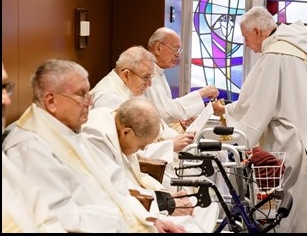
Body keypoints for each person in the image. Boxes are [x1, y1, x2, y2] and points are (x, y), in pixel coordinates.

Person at [2, 58, 184, 233]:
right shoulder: (29, 147)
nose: (89, 102)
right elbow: (61, 216)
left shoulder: (71, 132)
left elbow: (115, 183)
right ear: (51, 101)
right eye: (81, 95)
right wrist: (120, 221)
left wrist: (150, 221)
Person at [212, 6, 307, 233]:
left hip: (297, 141)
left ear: (257, 31)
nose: (246, 44)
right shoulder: (298, 47)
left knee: (298, 205)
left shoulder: (276, 55)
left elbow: (257, 105)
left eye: (246, 38)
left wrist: (226, 112)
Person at [82, 97, 219, 232]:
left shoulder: (114, 120)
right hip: (115, 215)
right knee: (188, 225)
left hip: (138, 204)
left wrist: (166, 200)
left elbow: (126, 181)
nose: (140, 150)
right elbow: (115, 189)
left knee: (206, 209)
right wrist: (165, 204)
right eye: (141, 146)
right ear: (126, 132)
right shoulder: (96, 138)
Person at [89, 46, 197, 191]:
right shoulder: (109, 98)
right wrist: (169, 145)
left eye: (150, 78)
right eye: (145, 78)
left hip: (145, 160)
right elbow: (125, 148)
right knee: (190, 189)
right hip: (131, 170)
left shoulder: (126, 88)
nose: (149, 84)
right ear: (126, 74)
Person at [2, 62, 66, 233]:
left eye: (4, 87)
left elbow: (43, 215)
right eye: (81, 94)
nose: (7, 100)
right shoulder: (26, 144)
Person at [144, 27, 219, 128]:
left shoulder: (158, 71)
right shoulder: (144, 72)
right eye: (175, 49)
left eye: (180, 50)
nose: (178, 55)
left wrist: (178, 120)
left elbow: (166, 108)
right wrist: (201, 94)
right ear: (158, 48)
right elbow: (162, 114)